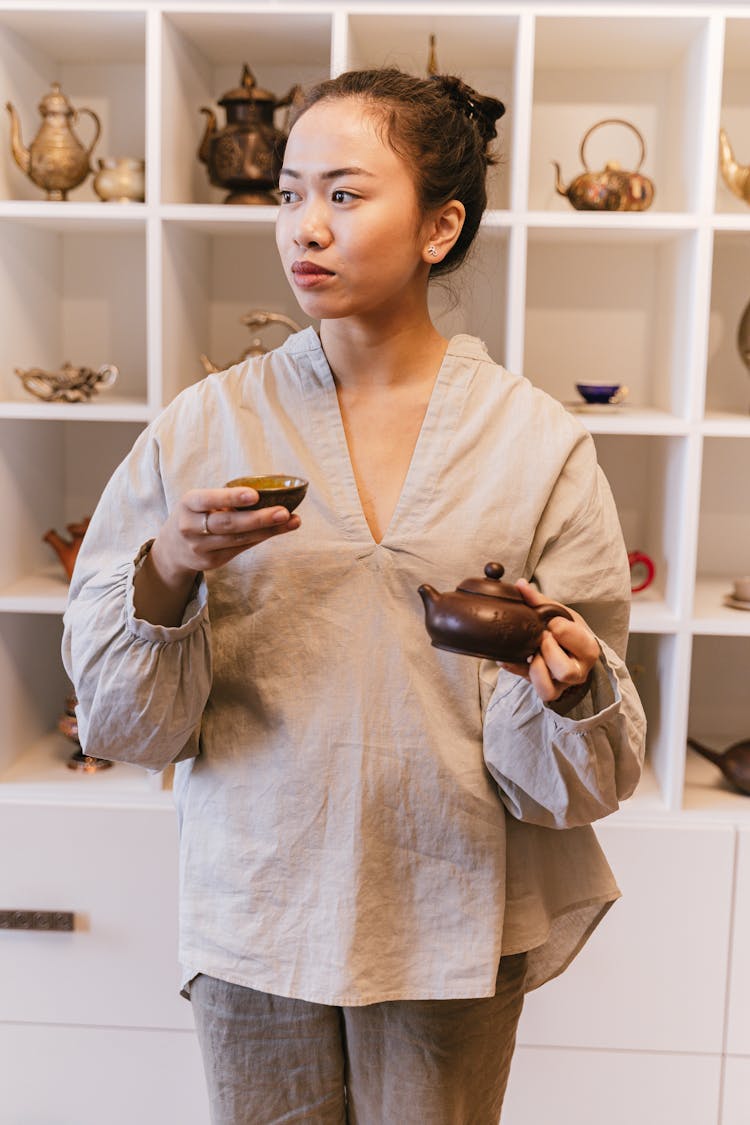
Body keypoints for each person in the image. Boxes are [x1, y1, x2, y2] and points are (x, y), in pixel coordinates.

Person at [63, 67, 646, 1125]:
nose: (304, 229)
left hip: (453, 910)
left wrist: (563, 682)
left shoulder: (537, 443)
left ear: (440, 227)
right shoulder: (205, 425)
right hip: (260, 904)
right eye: (288, 194)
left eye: (344, 193)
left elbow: (585, 766)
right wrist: (169, 567)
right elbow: (123, 723)